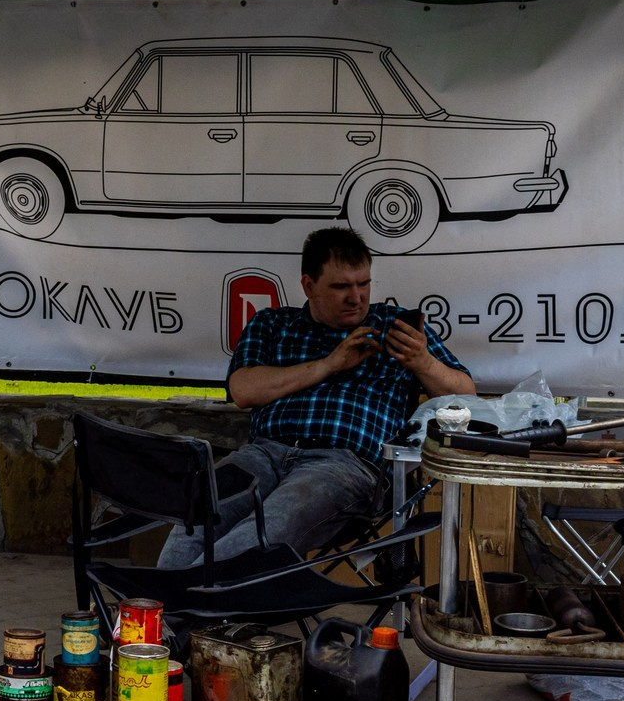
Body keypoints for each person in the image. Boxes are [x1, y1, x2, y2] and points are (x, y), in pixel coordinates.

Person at [160, 226, 476, 569]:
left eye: (364, 284)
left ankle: (178, 604)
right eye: (341, 287)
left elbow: (465, 398)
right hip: (264, 452)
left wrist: (423, 362)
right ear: (309, 286)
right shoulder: (273, 324)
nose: (356, 297)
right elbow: (243, 390)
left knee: (269, 527)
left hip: (345, 464)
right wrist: (329, 364)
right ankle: (173, 609)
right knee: (196, 518)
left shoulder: (393, 327)